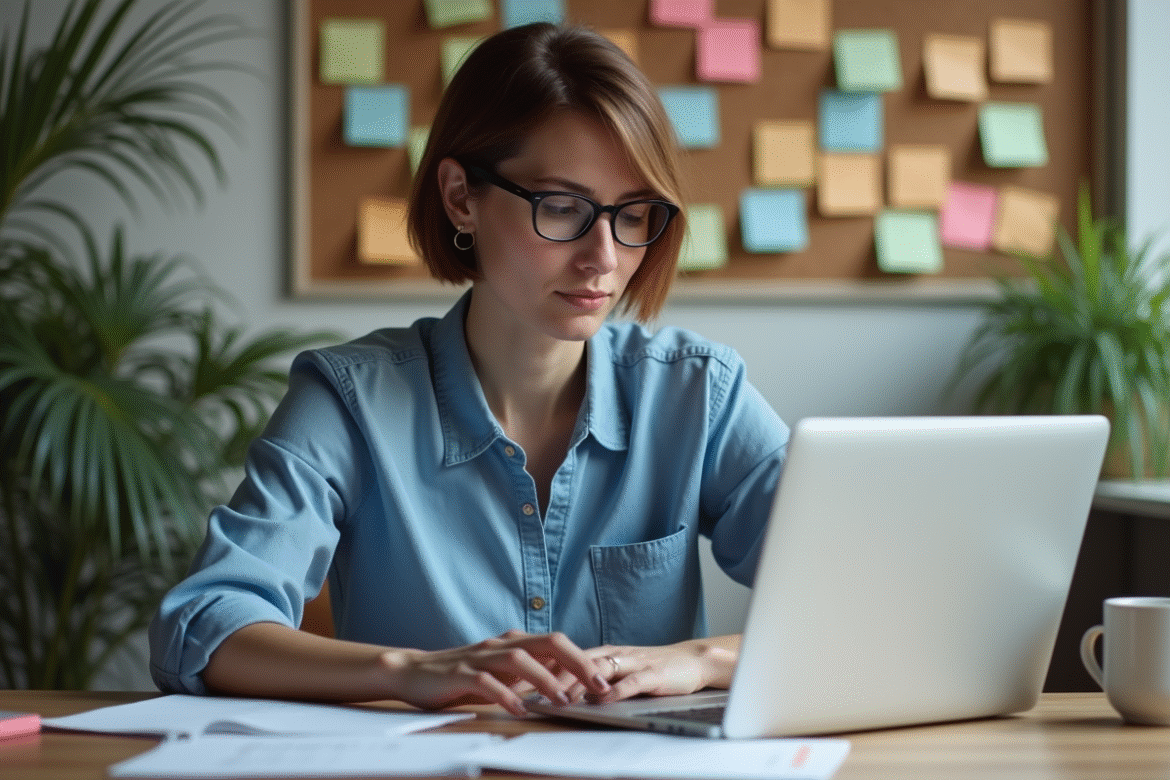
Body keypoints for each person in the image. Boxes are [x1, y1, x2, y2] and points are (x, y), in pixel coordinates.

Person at [149, 22, 788, 718]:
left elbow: (873, 603)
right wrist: (410, 671)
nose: (604, 256)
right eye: (563, 207)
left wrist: (705, 659)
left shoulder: (697, 394)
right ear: (461, 196)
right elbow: (204, 626)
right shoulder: (350, 401)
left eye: (633, 214)